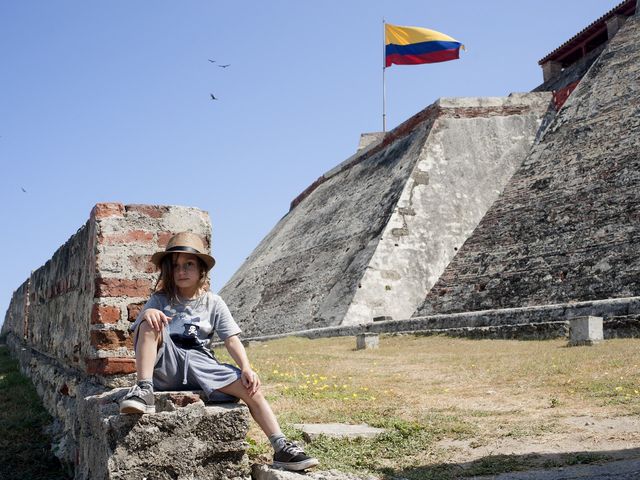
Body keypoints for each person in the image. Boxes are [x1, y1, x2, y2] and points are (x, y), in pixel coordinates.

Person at [119, 232, 318, 471]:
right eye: (175, 266)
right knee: (147, 322)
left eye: (188, 265)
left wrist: (246, 367)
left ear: (201, 269)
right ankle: (144, 389)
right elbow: (138, 335)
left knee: (251, 388)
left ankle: (281, 446)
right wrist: (147, 314)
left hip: (203, 366)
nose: (181, 271)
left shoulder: (213, 302)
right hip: (167, 364)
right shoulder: (160, 299)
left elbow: (232, 340)